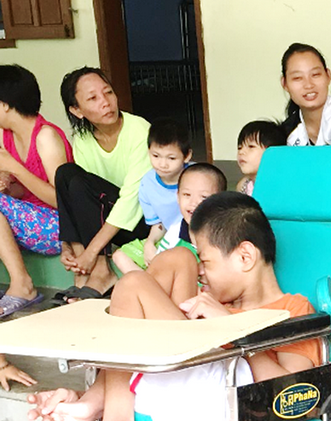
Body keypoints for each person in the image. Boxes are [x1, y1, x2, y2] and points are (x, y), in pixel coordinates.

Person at [28, 192, 322, 421]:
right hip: (185, 398)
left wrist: (230, 329)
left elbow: (296, 394)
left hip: (225, 412)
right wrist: (82, 399)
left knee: (133, 283)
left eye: (206, 261)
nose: (201, 272)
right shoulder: (205, 301)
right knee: (177, 259)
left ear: (245, 257)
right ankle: (93, 404)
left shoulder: (293, 309)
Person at [54, 67, 152, 301]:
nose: (106, 103)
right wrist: (68, 245)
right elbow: (82, 199)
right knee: (66, 174)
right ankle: (83, 274)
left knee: (78, 182)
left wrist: (92, 251)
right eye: (93, 98)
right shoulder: (83, 139)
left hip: (142, 222)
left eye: (108, 93)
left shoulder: (140, 131)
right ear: (77, 111)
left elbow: (131, 200)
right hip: (109, 220)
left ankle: (101, 272)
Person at [0, 64, 73, 316]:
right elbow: (27, 193)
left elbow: (62, 201)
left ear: (5, 105)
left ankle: (23, 286)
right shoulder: (7, 135)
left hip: (59, 227)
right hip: (32, 221)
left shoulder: (45, 137)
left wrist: (15, 170)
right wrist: (10, 189)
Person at [112, 120, 192, 273]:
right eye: (156, 156)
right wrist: (150, 243)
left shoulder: (197, 177)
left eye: (171, 158)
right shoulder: (147, 183)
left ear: (187, 156)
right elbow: (158, 224)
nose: (162, 164)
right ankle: (150, 287)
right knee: (120, 256)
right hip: (165, 239)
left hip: (190, 241)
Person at [281, 43, 331, 147]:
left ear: (328, 76)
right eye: (297, 78)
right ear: (284, 84)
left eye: (315, 75)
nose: (308, 85)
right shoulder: (285, 134)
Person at [236, 119, 285, 195]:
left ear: (272, 152)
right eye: (239, 147)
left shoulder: (280, 186)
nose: (241, 152)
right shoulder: (244, 186)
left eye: (251, 146)